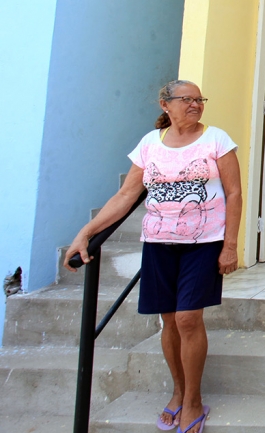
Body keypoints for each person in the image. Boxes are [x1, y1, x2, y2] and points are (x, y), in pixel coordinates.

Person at [65, 80, 242, 433]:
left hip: (204, 242)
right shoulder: (150, 144)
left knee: (188, 318)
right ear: (166, 104)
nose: (195, 105)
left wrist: (230, 245)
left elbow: (234, 193)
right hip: (158, 243)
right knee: (169, 319)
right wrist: (85, 233)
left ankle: (193, 399)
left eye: (199, 99)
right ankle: (178, 391)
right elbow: (127, 195)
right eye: (186, 100)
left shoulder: (217, 140)